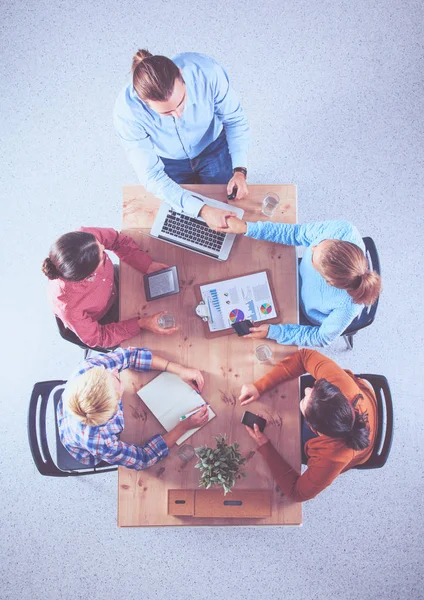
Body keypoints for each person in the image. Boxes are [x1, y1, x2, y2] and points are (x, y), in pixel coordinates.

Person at [113, 49, 250, 230]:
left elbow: (235, 120)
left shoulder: (208, 73)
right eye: (166, 113)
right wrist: (203, 210)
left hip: (212, 147)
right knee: (184, 211)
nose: (178, 115)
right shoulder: (127, 113)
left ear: (181, 75)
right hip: (170, 160)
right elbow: (152, 176)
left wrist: (240, 170)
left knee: (224, 198)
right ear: (142, 101)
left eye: (181, 101)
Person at [238, 349, 377, 502]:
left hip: (353, 447)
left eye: (305, 400)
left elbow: (296, 493)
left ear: (313, 428)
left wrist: (265, 445)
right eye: (314, 389)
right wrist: (259, 386)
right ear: (333, 391)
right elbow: (304, 356)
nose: (307, 389)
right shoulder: (341, 386)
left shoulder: (332, 459)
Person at [218, 219, 381, 347]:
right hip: (291, 277)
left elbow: (321, 338)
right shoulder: (343, 230)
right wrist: (248, 228)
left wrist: (273, 332)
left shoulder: (347, 306)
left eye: (313, 256)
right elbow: (297, 233)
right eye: (321, 243)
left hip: (302, 313)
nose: (313, 246)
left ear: (328, 282)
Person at [58, 347, 209, 469]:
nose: (115, 371)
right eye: (118, 379)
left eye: (107, 373)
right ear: (115, 406)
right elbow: (144, 458)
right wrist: (183, 427)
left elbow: (129, 356)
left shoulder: (88, 369)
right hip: (82, 449)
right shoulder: (100, 442)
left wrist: (178, 369)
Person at [42, 227, 178, 349]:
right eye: (102, 258)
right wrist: (142, 324)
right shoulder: (68, 306)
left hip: (113, 280)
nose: (103, 247)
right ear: (88, 275)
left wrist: (146, 264)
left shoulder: (86, 240)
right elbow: (100, 337)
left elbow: (116, 241)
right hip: (106, 318)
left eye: (101, 247)